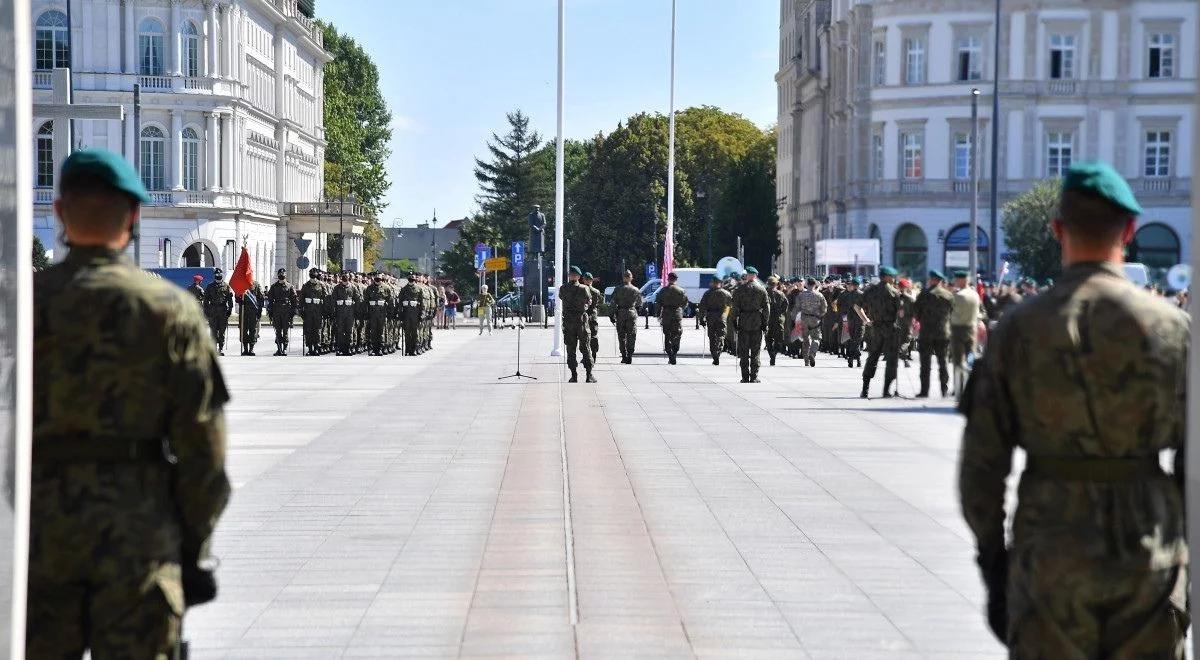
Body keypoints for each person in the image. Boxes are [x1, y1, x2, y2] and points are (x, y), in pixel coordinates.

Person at [959, 161, 1189, 657]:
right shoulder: (1172, 328)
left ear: (1057, 229)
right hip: (1149, 545)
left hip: (1050, 544)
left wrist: (994, 562)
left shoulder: (1019, 328)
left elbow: (982, 465)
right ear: (1129, 230)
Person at [31, 149, 230, 657]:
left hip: (36, 538)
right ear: (134, 217)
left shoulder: (22, 307)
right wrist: (194, 550)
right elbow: (203, 450)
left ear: (59, 214)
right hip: (138, 538)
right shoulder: (169, 310)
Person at [856, 266, 902, 398]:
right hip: (890, 329)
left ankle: (865, 389)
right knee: (892, 360)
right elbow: (900, 313)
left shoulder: (870, 290)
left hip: (875, 328)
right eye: (892, 277)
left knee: (872, 358)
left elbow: (857, 306)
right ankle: (886, 390)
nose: (894, 279)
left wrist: (866, 320)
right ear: (887, 277)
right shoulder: (894, 292)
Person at [913, 270, 954, 397]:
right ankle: (944, 390)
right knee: (943, 363)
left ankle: (924, 391)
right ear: (940, 281)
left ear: (931, 279)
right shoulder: (948, 295)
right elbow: (953, 314)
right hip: (943, 333)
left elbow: (916, 313)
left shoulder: (923, 294)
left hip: (926, 333)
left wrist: (923, 320)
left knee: (925, 364)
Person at [730, 267, 769, 383]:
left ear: (747, 275)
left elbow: (734, 309)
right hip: (757, 322)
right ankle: (754, 376)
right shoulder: (762, 290)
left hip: (743, 321)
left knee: (744, 351)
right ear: (755, 276)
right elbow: (767, 309)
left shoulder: (739, 290)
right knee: (755, 351)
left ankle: (745, 376)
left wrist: (734, 323)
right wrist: (765, 323)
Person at [559, 266, 595, 382]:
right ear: (579, 277)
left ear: (569, 276)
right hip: (581, 321)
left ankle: (574, 375)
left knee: (571, 348)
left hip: (568, 321)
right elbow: (589, 301)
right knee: (586, 348)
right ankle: (589, 375)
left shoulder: (563, 288)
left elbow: (561, 297)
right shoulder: (584, 288)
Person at [949, 269, 983, 395]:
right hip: (971, 329)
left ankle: (959, 387)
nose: (955, 281)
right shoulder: (975, 294)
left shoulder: (959, 295)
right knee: (970, 359)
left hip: (958, 330)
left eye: (957, 279)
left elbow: (952, 312)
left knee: (958, 361)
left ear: (963, 280)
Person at [610, 270, 643, 364]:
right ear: (631, 278)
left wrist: (611, 315)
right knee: (631, 335)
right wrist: (637, 312)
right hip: (631, 312)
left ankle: (624, 355)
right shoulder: (636, 289)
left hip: (620, 313)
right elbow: (640, 304)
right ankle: (630, 354)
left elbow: (613, 303)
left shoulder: (618, 289)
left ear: (623, 278)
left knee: (621, 336)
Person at [698, 276, 732, 365]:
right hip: (721, 316)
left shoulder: (707, 294)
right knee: (721, 335)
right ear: (719, 283)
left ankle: (714, 354)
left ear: (712, 283)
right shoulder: (726, 293)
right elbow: (730, 305)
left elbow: (702, 307)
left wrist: (702, 319)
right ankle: (719, 350)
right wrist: (727, 315)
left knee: (712, 337)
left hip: (711, 316)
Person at [656, 272, 689, 365]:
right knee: (677, 334)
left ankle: (670, 353)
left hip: (666, 314)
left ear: (668, 279)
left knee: (667, 335)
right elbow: (685, 303)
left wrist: (658, 314)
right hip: (677, 314)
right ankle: (674, 352)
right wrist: (680, 309)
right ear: (676, 280)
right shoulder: (681, 291)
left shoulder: (663, 291)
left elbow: (658, 303)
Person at [794, 277, 828, 367]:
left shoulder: (801, 295)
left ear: (807, 284)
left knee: (805, 340)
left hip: (804, 318)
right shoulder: (819, 295)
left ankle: (806, 361)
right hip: (815, 319)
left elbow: (797, 307)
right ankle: (812, 354)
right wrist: (820, 315)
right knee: (816, 338)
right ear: (814, 285)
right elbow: (824, 308)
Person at [266, 268, 298, 357]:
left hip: (286, 312)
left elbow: (294, 300)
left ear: (285, 276)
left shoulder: (289, 286)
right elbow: (270, 300)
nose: (281, 276)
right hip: (276, 312)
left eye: (282, 275)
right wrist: (270, 311)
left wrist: (293, 311)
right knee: (278, 331)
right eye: (280, 275)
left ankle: (284, 348)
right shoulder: (274, 287)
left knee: (285, 330)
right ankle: (279, 348)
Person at [202, 267, 233, 356]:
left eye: (220, 275)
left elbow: (230, 300)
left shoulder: (227, 286)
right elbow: (206, 300)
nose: (218, 276)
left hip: (223, 311)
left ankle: (221, 348)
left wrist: (229, 310)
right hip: (213, 311)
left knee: (222, 331)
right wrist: (206, 311)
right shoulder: (209, 286)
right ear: (214, 276)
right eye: (217, 275)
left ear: (222, 275)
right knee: (213, 331)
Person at [835, 277, 865, 368]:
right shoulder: (862, 295)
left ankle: (852, 358)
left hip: (850, 319)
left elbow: (839, 306)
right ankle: (855, 358)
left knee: (852, 339)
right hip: (859, 320)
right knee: (857, 340)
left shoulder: (846, 295)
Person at [299, 268, 328, 356]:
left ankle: (316, 347)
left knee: (317, 330)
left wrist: (325, 310)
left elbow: (326, 298)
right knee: (308, 330)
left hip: (318, 311)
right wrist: (301, 310)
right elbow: (301, 299)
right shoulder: (306, 285)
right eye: (312, 275)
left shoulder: (321, 285)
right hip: (308, 311)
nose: (313, 277)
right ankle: (310, 348)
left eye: (314, 275)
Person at [331, 272, 360, 355]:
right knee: (340, 331)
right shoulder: (337, 288)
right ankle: (340, 348)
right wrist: (333, 312)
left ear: (349, 278)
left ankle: (348, 348)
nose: (344, 279)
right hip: (340, 313)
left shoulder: (353, 287)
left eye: (346, 278)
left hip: (350, 313)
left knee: (349, 331)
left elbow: (358, 299)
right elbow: (333, 300)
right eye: (343, 278)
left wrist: (357, 312)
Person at [765, 275, 789, 366]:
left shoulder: (764, 293)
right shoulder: (781, 294)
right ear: (776, 284)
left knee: (768, 339)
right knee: (778, 339)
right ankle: (774, 353)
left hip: (767, 319)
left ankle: (771, 354)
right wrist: (781, 313)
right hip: (778, 320)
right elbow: (786, 305)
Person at [237, 279, 265, 356]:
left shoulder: (256, 284)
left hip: (253, 311)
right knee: (243, 329)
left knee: (253, 329)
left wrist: (260, 310)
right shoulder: (242, 283)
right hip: (243, 310)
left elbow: (261, 298)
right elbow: (237, 295)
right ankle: (245, 349)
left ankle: (251, 349)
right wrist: (239, 299)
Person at [582, 273, 603, 358]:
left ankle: (586, 355)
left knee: (584, 335)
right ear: (591, 280)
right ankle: (594, 353)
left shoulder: (580, 290)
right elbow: (599, 303)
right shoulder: (596, 291)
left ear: (583, 280)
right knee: (594, 334)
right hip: (593, 315)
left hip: (583, 315)